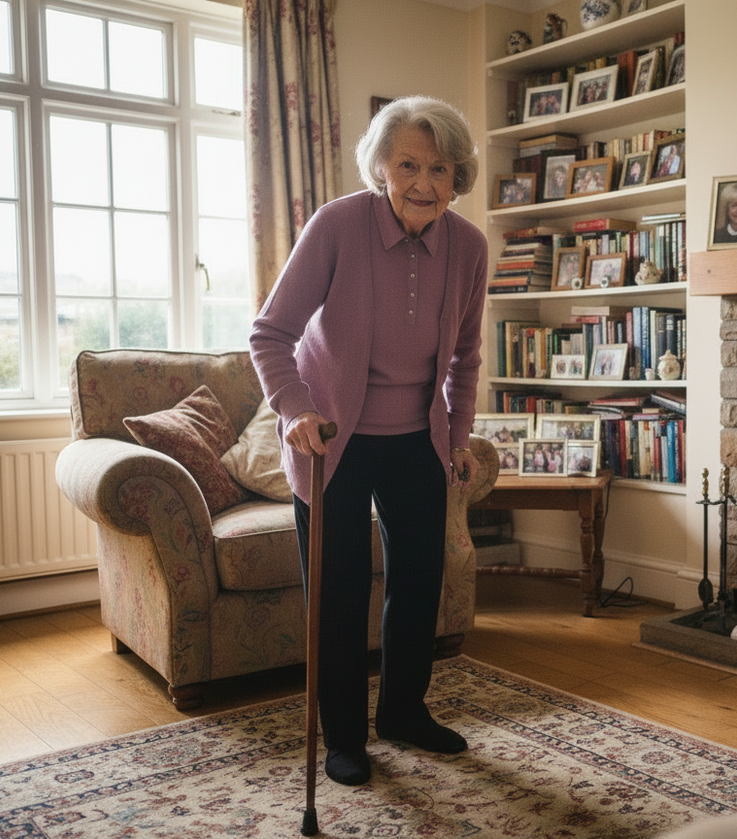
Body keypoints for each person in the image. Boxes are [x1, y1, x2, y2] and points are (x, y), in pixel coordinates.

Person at [249, 95, 487, 787]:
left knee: (420, 579)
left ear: (457, 176)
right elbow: (270, 333)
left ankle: (404, 711)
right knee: (339, 588)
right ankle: (346, 738)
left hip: (417, 435)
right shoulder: (338, 226)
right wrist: (292, 408)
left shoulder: (468, 247)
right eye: (408, 163)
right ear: (380, 167)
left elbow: (466, 358)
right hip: (332, 436)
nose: (423, 182)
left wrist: (459, 434)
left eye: (439, 168)